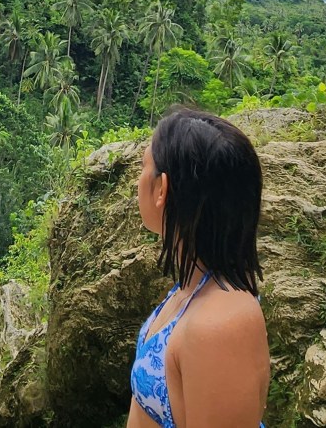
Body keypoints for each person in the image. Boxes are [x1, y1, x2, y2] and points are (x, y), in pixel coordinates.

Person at [129, 107, 270, 428]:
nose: (138, 180)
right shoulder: (197, 284)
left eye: (143, 167)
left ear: (162, 189)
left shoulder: (220, 327)